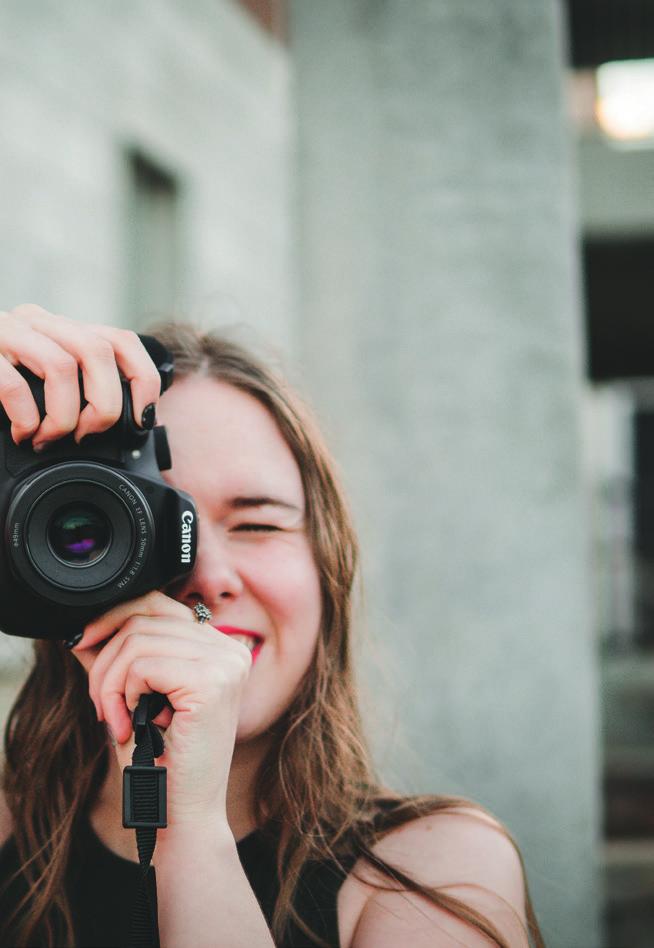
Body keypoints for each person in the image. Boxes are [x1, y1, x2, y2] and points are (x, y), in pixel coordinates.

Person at [0, 303, 545, 948]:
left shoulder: (433, 872)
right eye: (137, 522)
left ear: (327, 565)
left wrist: (188, 826)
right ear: (35, 561)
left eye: (258, 523)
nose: (208, 573)